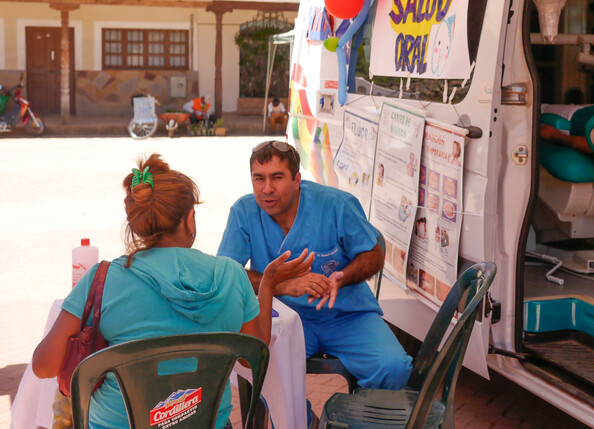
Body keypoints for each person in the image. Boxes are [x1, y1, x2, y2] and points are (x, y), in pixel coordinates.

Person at [31, 154, 313, 429]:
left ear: (138, 223)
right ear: (189, 218)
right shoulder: (231, 275)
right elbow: (252, 355)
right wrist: (268, 284)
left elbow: (43, 367)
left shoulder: (102, 279)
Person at [217, 140, 413, 426]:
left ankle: (362, 422)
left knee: (394, 367)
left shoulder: (336, 205)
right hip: (284, 319)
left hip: (346, 315)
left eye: (277, 177)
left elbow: (374, 254)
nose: (266, 189)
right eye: (259, 179)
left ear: (297, 179)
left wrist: (344, 277)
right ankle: (307, 423)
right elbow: (228, 273)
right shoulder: (244, 212)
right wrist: (284, 286)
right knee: (264, 369)